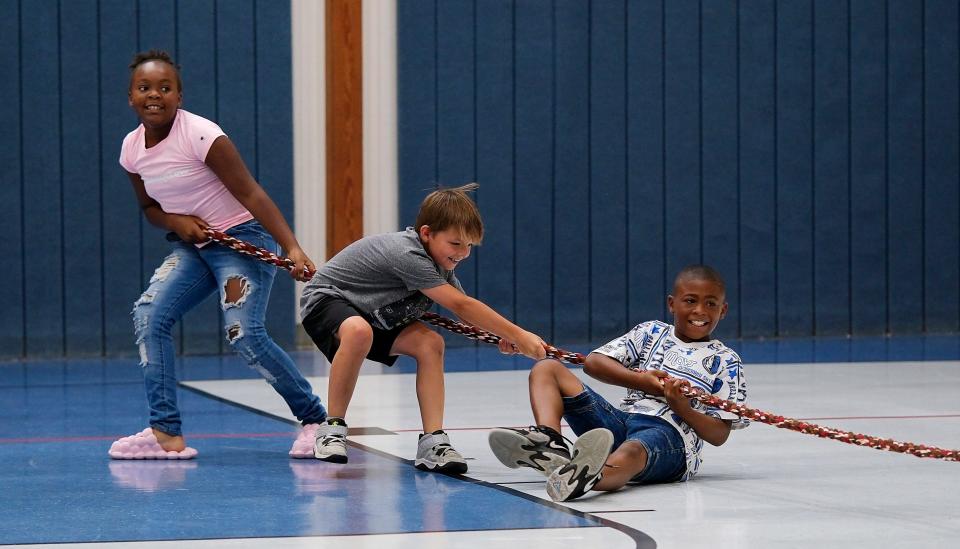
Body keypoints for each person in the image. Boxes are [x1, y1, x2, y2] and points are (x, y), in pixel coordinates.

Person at [109, 50, 327, 460]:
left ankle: (316, 421)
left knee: (243, 334)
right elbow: (150, 210)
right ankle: (164, 432)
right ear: (131, 97)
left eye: (164, 87)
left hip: (243, 238)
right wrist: (177, 222)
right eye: (144, 88)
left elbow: (250, 192)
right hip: (194, 246)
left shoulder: (202, 135)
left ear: (179, 95)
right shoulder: (131, 149)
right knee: (149, 316)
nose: (154, 95)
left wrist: (293, 247)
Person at [299, 183, 547, 473]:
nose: (463, 253)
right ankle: (332, 428)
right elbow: (461, 306)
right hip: (329, 301)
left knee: (430, 344)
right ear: (427, 233)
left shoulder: (439, 265)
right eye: (455, 244)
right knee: (357, 331)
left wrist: (501, 336)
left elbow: (464, 306)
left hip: (374, 316)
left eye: (469, 245)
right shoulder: (407, 254)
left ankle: (433, 442)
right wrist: (518, 334)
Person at [488, 265, 748, 501]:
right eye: (690, 301)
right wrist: (641, 381)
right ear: (672, 303)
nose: (700, 311)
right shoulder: (650, 332)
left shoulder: (726, 361)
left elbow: (719, 435)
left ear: (723, 310)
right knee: (548, 368)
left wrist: (682, 408)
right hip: (623, 421)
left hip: (671, 438)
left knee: (632, 452)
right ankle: (551, 442)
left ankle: (590, 477)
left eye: (711, 304)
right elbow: (595, 363)